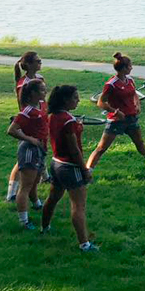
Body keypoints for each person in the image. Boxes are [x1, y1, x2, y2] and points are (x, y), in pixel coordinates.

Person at [41, 85, 99, 252]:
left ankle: (44, 227)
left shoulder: (53, 116)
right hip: (70, 166)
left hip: (56, 163)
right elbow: (74, 149)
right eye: (75, 97)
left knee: (53, 198)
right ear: (65, 100)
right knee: (78, 206)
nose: (78, 100)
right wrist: (84, 170)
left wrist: (77, 127)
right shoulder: (68, 120)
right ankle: (84, 244)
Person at [86, 53, 145, 170]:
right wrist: (115, 111)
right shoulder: (111, 84)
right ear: (123, 68)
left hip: (131, 118)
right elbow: (101, 102)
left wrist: (137, 104)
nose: (132, 68)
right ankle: (88, 171)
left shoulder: (129, 80)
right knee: (102, 148)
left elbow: (134, 93)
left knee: (139, 142)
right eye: (130, 66)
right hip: (116, 121)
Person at [6, 80, 48, 230]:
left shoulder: (42, 106)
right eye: (42, 90)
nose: (45, 93)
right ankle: (24, 221)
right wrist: (30, 139)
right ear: (33, 94)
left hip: (40, 149)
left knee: (35, 181)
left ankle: (36, 203)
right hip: (30, 150)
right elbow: (12, 130)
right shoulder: (27, 111)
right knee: (25, 186)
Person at [5, 51, 44, 203]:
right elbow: (24, 107)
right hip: (30, 124)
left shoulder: (39, 78)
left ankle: (36, 190)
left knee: (37, 155)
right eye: (37, 60)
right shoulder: (24, 84)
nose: (40, 63)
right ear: (28, 64)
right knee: (22, 162)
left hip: (40, 119)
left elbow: (42, 100)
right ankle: (12, 192)